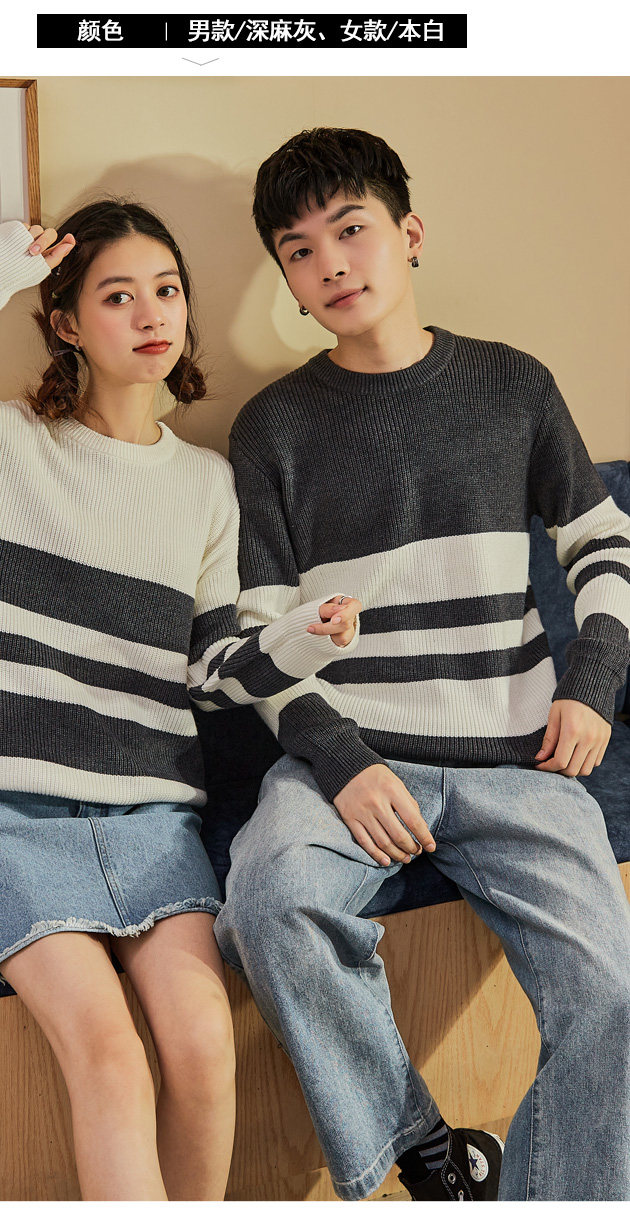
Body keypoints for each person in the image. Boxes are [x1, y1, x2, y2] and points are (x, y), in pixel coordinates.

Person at [0, 200, 363, 1200]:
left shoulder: (206, 484)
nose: (151, 313)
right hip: (5, 823)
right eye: (116, 296)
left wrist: (299, 639)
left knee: (205, 1045)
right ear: (65, 323)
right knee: (111, 1058)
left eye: (166, 290)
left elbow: (211, 672)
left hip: (150, 820)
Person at [213, 127, 630, 1201]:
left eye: (350, 230)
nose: (331, 264)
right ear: (288, 280)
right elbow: (261, 639)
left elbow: (603, 544)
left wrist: (592, 682)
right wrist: (343, 762)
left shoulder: (513, 385)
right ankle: (423, 1151)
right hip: (348, 764)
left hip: (518, 759)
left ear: (409, 233)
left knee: (612, 995)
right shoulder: (270, 430)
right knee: (267, 901)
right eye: (299, 251)